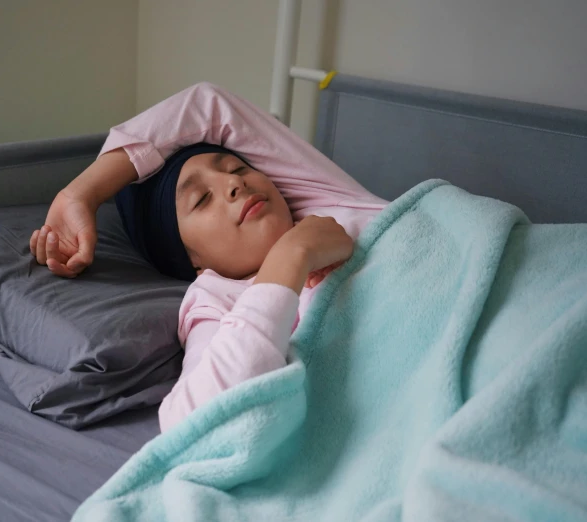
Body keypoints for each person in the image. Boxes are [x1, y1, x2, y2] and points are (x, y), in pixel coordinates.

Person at [29, 82, 387, 432]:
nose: (235, 184)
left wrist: (79, 194)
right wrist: (291, 258)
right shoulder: (218, 298)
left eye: (238, 169)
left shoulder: (326, 199)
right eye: (201, 199)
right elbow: (194, 421)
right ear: (192, 261)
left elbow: (207, 103)